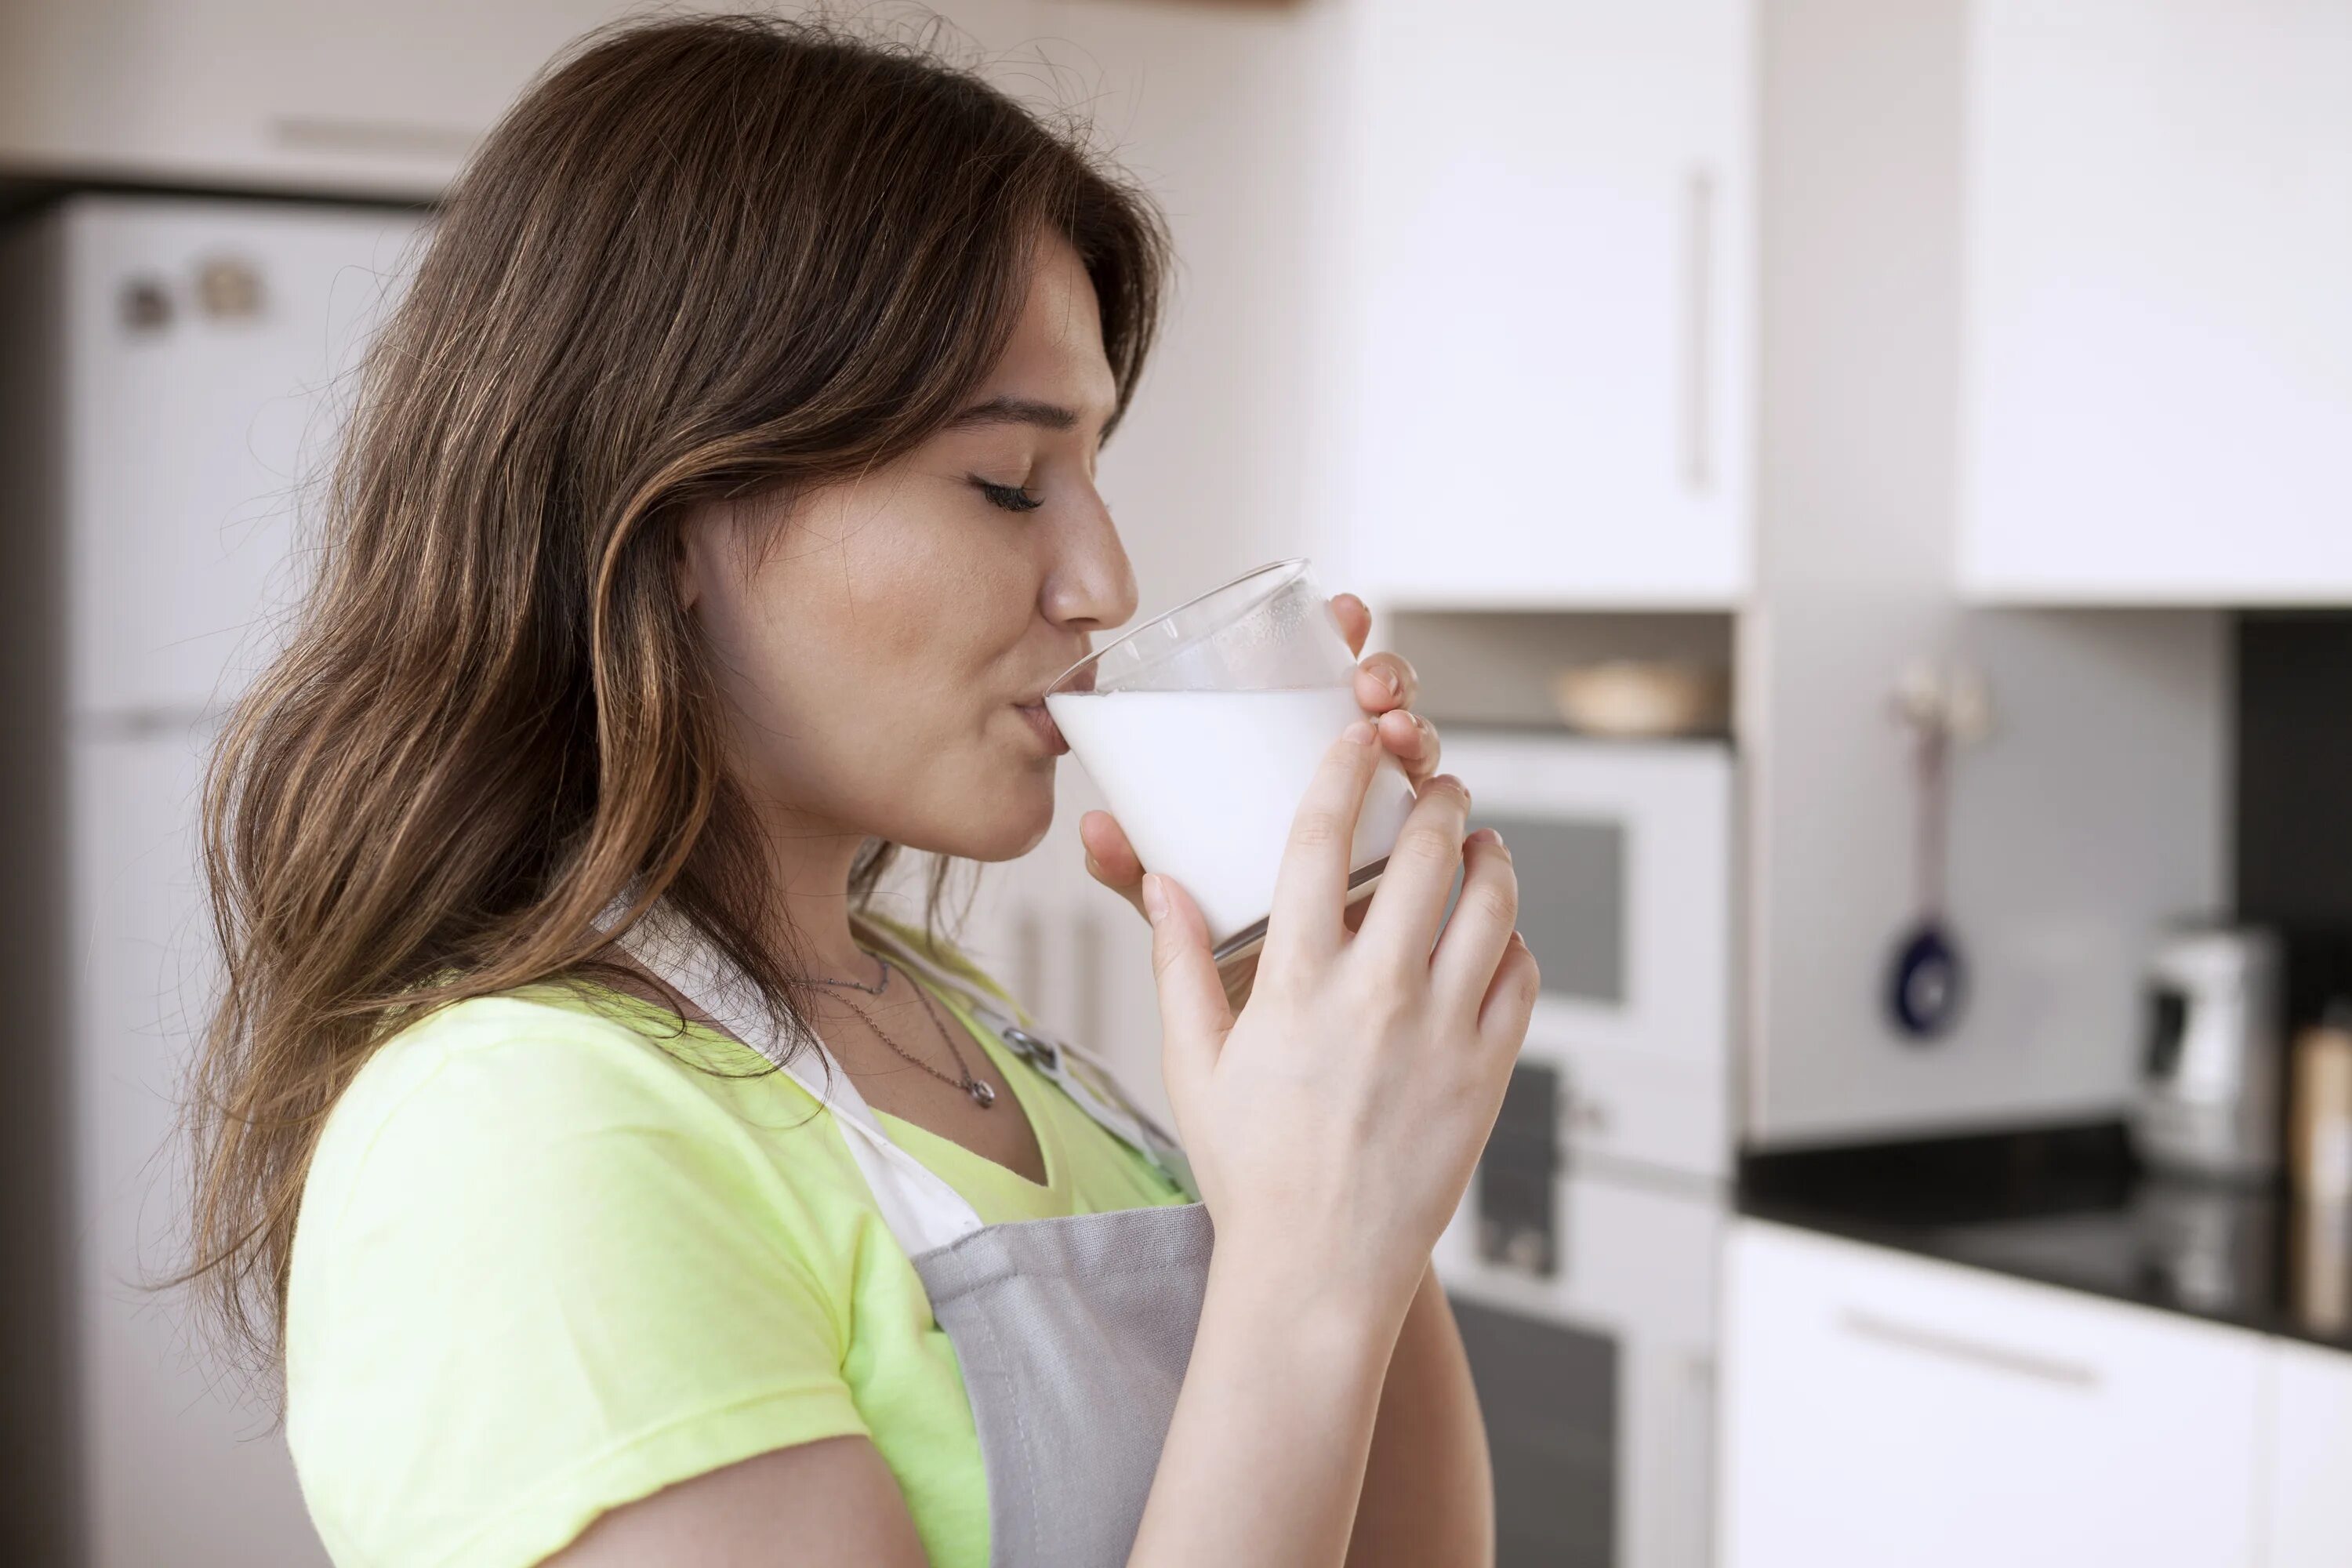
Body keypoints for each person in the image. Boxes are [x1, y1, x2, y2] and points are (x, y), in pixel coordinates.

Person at [183, 14, 1537, 1566]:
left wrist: (1339, 1105)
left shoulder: (966, 1032)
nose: (1104, 579)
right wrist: (1300, 1262)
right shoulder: (514, 1138)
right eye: (1010, 483)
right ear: (679, 520)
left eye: (1095, 470)